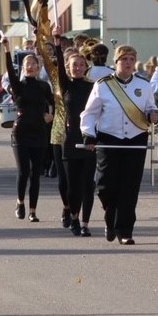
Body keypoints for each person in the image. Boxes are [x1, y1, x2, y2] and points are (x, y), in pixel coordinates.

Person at [80, 44, 158, 245]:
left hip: (136, 140)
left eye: (132, 59)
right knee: (105, 186)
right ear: (115, 62)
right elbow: (90, 113)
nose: (128, 63)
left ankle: (125, 230)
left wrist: (153, 114)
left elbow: (152, 107)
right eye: (124, 59)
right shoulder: (103, 85)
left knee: (129, 188)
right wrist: (89, 135)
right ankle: (110, 217)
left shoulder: (144, 85)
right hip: (109, 139)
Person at [3, 38, 54, 221]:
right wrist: (7, 49)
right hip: (21, 132)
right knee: (24, 171)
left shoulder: (43, 86)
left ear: (39, 67)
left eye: (33, 63)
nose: (30, 66)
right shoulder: (18, 85)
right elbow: (9, 69)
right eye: (27, 63)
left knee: (35, 174)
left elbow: (55, 103)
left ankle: (33, 210)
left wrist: (51, 115)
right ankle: (20, 202)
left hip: (39, 132)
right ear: (23, 67)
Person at [53, 42, 96, 236]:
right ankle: (74, 218)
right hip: (70, 139)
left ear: (86, 66)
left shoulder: (94, 86)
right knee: (73, 185)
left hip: (89, 138)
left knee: (88, 184)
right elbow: (59, 67)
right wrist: (57, 43)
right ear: (69, 68)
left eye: (80, 64)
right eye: (73, 65)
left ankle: (86, 223)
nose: (77, 67)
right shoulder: (66, 85)